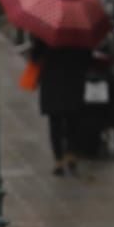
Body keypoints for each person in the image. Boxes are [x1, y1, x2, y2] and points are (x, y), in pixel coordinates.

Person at [29, 37, 93, 176]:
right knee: (73, 120)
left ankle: (58, 160)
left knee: (55, 123)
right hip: (73, 82)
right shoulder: (77, 35)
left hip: (52, 82)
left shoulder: (45, 34)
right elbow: (88, 60)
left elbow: (35, 57)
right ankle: (71, 153)